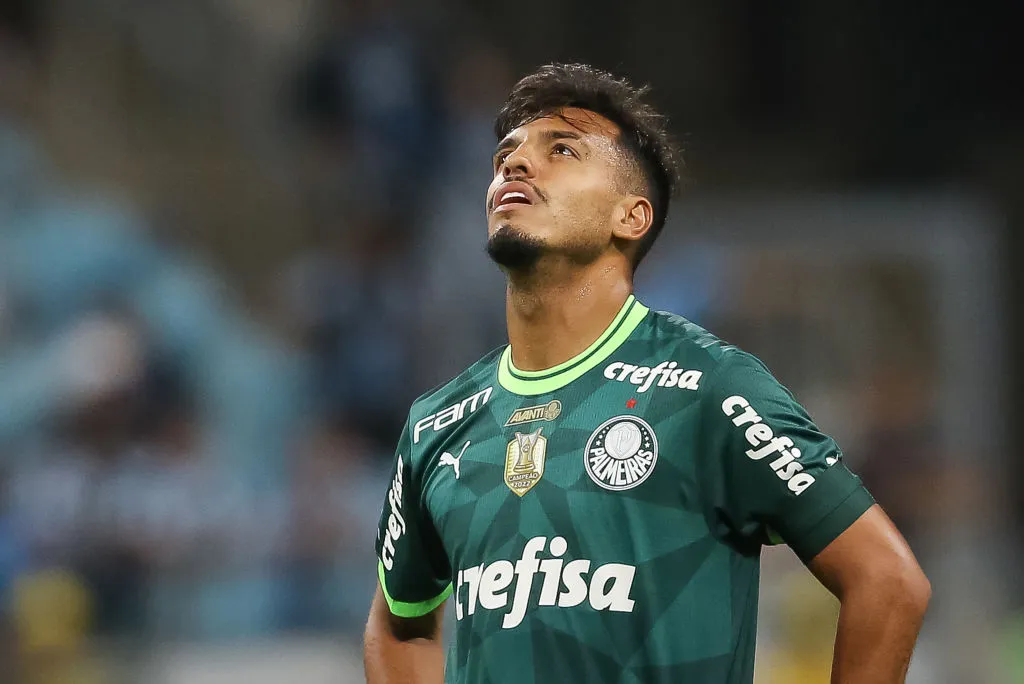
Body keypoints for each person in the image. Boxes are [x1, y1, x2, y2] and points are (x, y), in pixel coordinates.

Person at [363, 63, 930, 684]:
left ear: (630, 218)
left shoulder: (708, 387)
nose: (515, 166)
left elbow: (888, 580)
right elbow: (399, 625)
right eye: (506, 155)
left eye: (562, 150)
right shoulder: (437, 426)